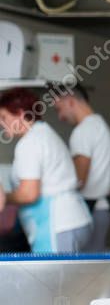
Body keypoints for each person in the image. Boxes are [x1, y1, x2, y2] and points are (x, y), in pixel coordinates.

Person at [0, 87, 91, 251]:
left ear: (20, 114)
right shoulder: (44, 133)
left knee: (57, 277)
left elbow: (29, 194)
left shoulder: (29, 143)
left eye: (4, 117)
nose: (1, 123)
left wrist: (4, 197)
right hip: (75, 220)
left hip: (57, 225)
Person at [54, 83, 110, 251]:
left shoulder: (83, 131)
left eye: (58, 109)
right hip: (102, 208)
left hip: (91, 211)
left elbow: (78, 180)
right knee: (94, 267)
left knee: (86, 270)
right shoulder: (99, 125)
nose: (60, 117)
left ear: (70, 101)